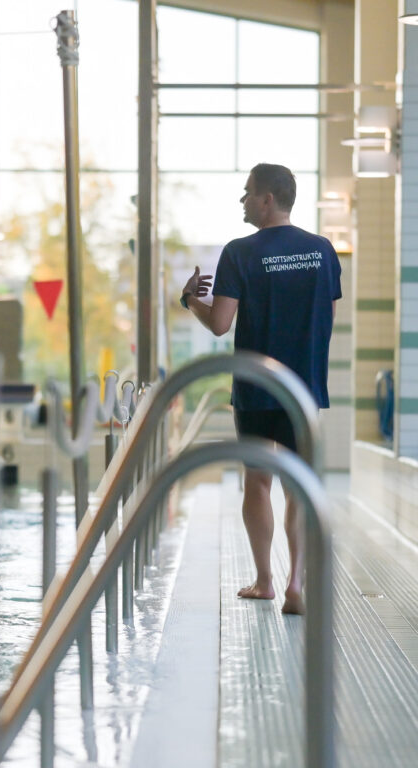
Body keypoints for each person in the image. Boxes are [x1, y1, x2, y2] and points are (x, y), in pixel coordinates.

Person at [180, 162, 341, 615]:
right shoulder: (323, 251)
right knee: (299, 486)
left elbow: (219, 324)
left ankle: (264, 580)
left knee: (258, 481)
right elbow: (327, 318)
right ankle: (297, 584)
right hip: (303, 387)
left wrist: (191, 298)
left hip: (255, 387)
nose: (243, 200)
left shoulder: (240, 252)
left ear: (267, 199)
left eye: (247, 192)